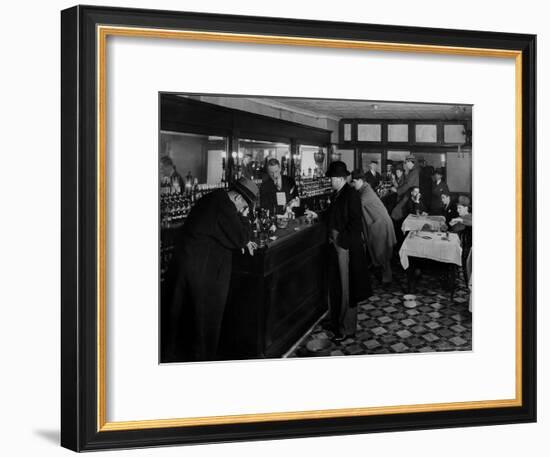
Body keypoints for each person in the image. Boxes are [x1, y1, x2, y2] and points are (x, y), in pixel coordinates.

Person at [161, 177, 259, 362]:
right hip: (200, 272)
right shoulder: (225, 207)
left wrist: (241, 236)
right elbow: (240, 237)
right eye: (244, 206)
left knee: (184, 320)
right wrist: (245, 219)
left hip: (190, 267)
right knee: (202, 321)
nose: (242, 210)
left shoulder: (215, 198)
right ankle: (202, 361)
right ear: (238, 199)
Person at [321, 161, 371, 342]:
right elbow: (332, 214)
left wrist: (342, 243)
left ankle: (346, 328)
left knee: (346, 289)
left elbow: (356, 223)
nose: (330, 181)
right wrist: (316, 214)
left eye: (332, 178)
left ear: (341, 178)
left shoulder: (351, 195)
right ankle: (336, 322)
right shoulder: (338, 193)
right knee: (336, 286)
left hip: (345, 246)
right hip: (337, 244)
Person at [351, 169, 397, 285]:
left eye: (354, 182)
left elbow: (355, 207)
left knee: (382, 253)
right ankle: (384, 276)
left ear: (360, 181)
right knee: (380, 252)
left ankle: (387, 280)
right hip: (378, 223)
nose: (353, 184)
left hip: (381, 225)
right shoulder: (364, 188)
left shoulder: (366, 193)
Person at [449, 195, 472, 283]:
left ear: (466, 208)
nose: (457, 210)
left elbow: (472, 223)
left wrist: (460, 220)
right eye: (457, 208)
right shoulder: (461, 217)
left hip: (468, 249)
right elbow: (454, 230)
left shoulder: (469, 216)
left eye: (460, 208)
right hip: (461, 247)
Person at [391, 155, 420, 221]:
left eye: (407, 163)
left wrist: (397, 191)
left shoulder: (414, 171)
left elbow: (408, 184)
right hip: (408, 194)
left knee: (397, 211)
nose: (406, 165)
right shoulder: (412, 171)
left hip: (411, 195)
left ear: (410, 162)